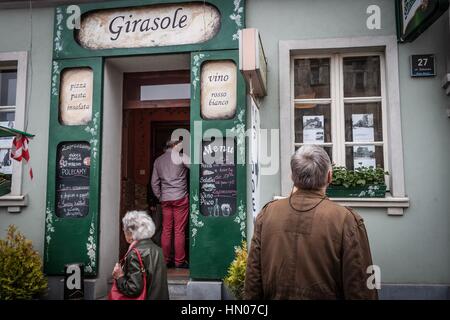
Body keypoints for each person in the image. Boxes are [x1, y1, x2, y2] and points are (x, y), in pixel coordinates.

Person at [244, 145, 378, 300]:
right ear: (329, 176)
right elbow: (361, 285)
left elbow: (253, 279)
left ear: (292, 177)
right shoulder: (345, 220)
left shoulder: (267, 214)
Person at [112, 210, 169, 300]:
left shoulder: (135, 253)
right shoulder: (158, 249)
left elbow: (133, 289)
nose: (124, 233)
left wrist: (119, 277)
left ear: (130, 233)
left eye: (124, 230)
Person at [151, 139, 190, 268]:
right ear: (174, 145)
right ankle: (179, 262)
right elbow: (195, 169)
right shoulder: (181, 157)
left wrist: (160, 196)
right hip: (180, 198)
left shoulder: (158, 161)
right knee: (179, 231)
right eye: (179, 145)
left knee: (166, 230)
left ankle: (166, 260)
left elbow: (154, 183)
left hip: (165, 199)